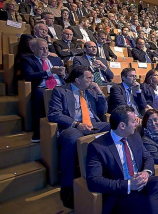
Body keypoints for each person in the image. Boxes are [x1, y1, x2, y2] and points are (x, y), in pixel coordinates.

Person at [47, 66, 111, 208]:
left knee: (116, 127)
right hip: (73, 127)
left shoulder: (90, 91)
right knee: (72, 140)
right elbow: (53, 114)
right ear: (77, 79)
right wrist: (76, 124)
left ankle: (111, 172)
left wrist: (100, 93)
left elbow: (102, 111)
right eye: (88, 77)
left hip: (93, 124)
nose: (92, 80)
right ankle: (68, 187)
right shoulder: (60, 91)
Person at [86, 105, 158, 214]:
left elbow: (147, 157)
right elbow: (94, 181)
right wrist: (129, 184)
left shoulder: (135, 136)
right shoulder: (97, 147)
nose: (137, 124)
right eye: (134, 121)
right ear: (122, 126)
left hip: (139, 183)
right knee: (148, 205)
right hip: (120, 192)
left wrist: (146, 173)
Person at [21, 38, 66, 142]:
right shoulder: (27, 60)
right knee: (40, 95)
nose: (45, 51)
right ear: (32, 48)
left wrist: (63, 74)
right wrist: (49, 72)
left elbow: (66, 77)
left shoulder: (56, 59)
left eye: (46, 48)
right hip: (42, 88)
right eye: (42, 49)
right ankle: (39, 131)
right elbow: (29, 76)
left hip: (59, 86)